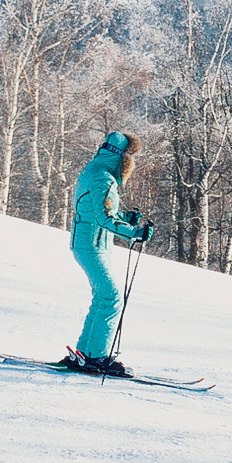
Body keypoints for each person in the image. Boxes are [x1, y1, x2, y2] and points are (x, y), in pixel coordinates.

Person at [63, 131, 151, 376]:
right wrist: (135, 232)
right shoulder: (103, 179)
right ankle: (97, 356)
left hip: (87, 243)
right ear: (122, 158)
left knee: (103, 297)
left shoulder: (93, 170)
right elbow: (104, 219)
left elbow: (95, 210)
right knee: (112, 298)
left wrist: (125, 218)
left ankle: (85, 353)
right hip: (92, 245)